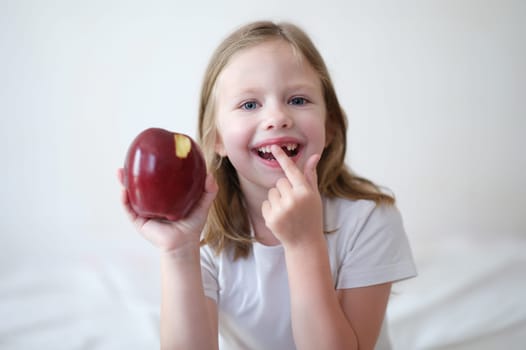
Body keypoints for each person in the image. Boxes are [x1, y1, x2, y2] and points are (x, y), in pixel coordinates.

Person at [119, 20, 417, 350]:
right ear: (217, 138)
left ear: (329, 125)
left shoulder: (369, 221)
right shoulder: (204, 234)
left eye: (299, 100)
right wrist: (178, 251)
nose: (277, 116)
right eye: (249, 105)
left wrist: (304, 243)